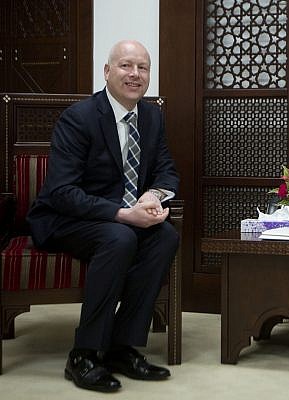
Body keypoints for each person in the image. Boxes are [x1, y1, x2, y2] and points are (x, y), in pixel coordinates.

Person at [27, 40, 180, 393]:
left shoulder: (152, 116)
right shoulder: (79, 117)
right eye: (126, 66)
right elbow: (62, 192)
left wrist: (151, 195)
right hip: (66, 217)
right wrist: (124, 214)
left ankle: (120, 348)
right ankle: (83, 354)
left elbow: (167, 172)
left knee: (165, 235)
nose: (135, 74)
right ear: (107, 72)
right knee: (120, 236)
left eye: (143, 68)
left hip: (118, 216)